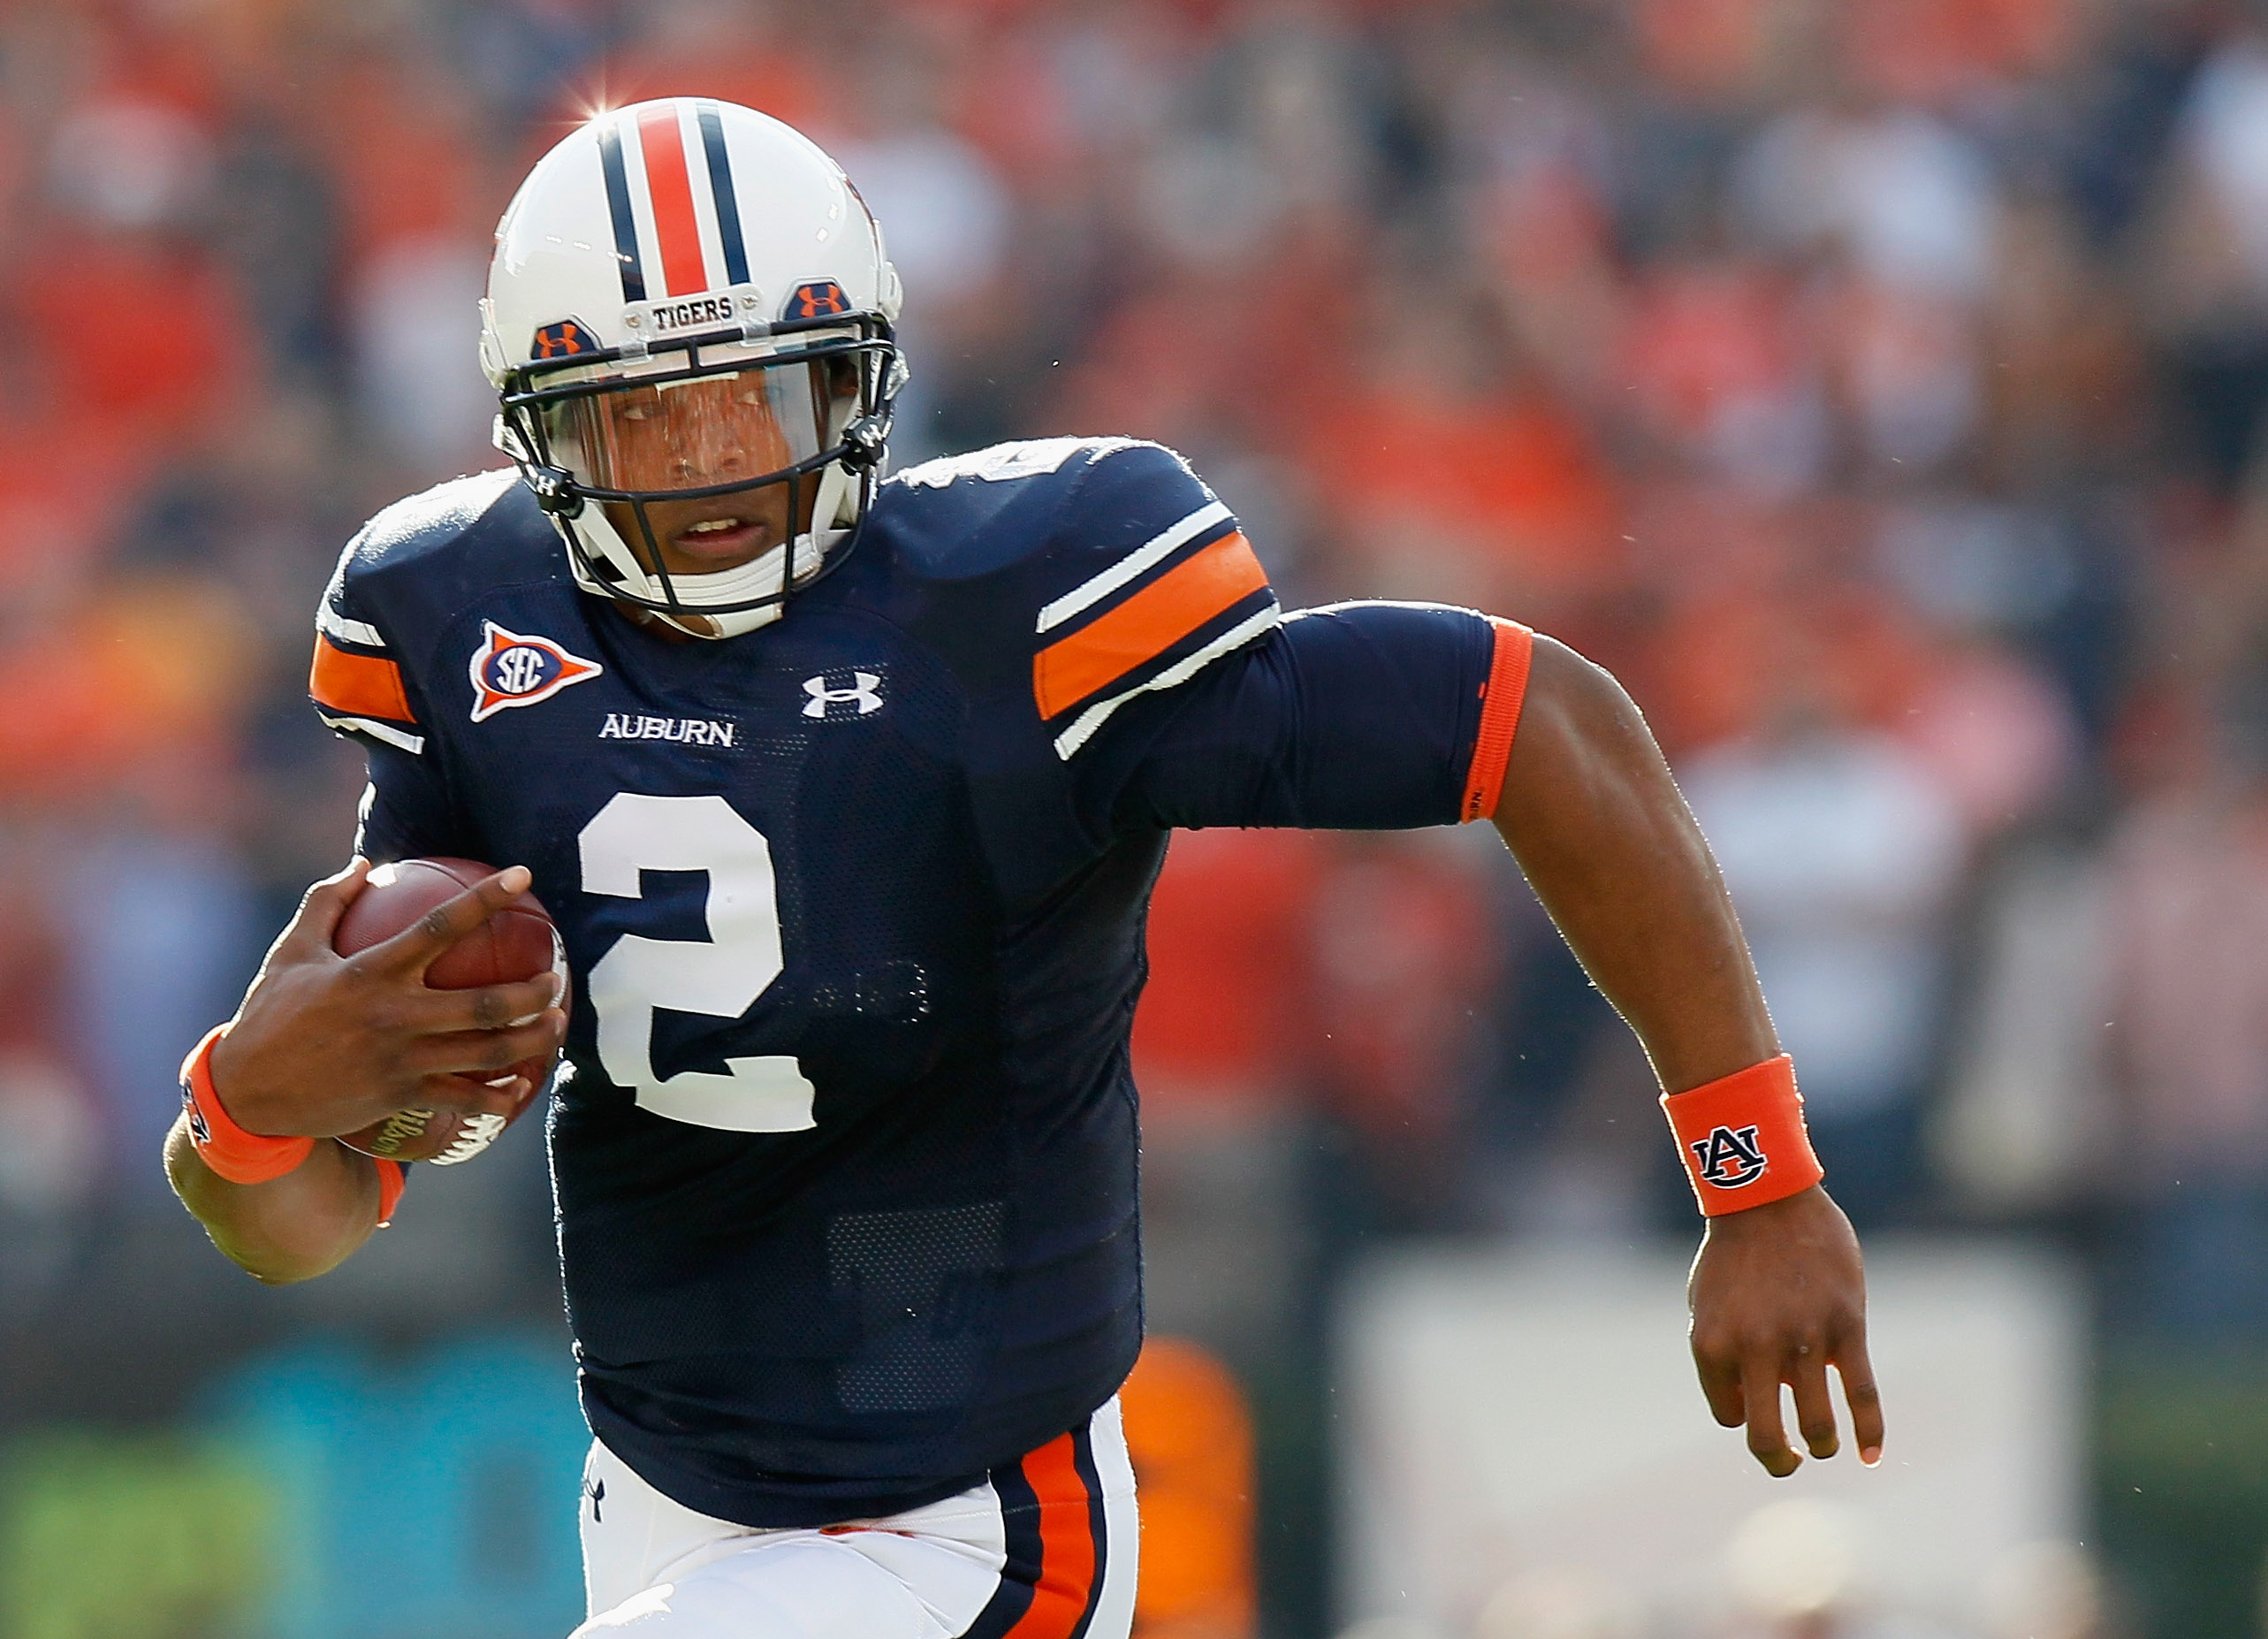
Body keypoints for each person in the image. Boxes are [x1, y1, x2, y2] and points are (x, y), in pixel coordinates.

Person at [164, 100, 1883, 1639]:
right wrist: (243, 1110)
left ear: (862, 382)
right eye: (645, 427)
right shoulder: (468, 632)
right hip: (657, 1504)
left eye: (755, 403)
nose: (712, 481)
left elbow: (1542, 723)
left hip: (975, 1524)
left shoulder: (1022, 613)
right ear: (538, 441)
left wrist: (1758, 1172)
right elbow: (300, 1228)